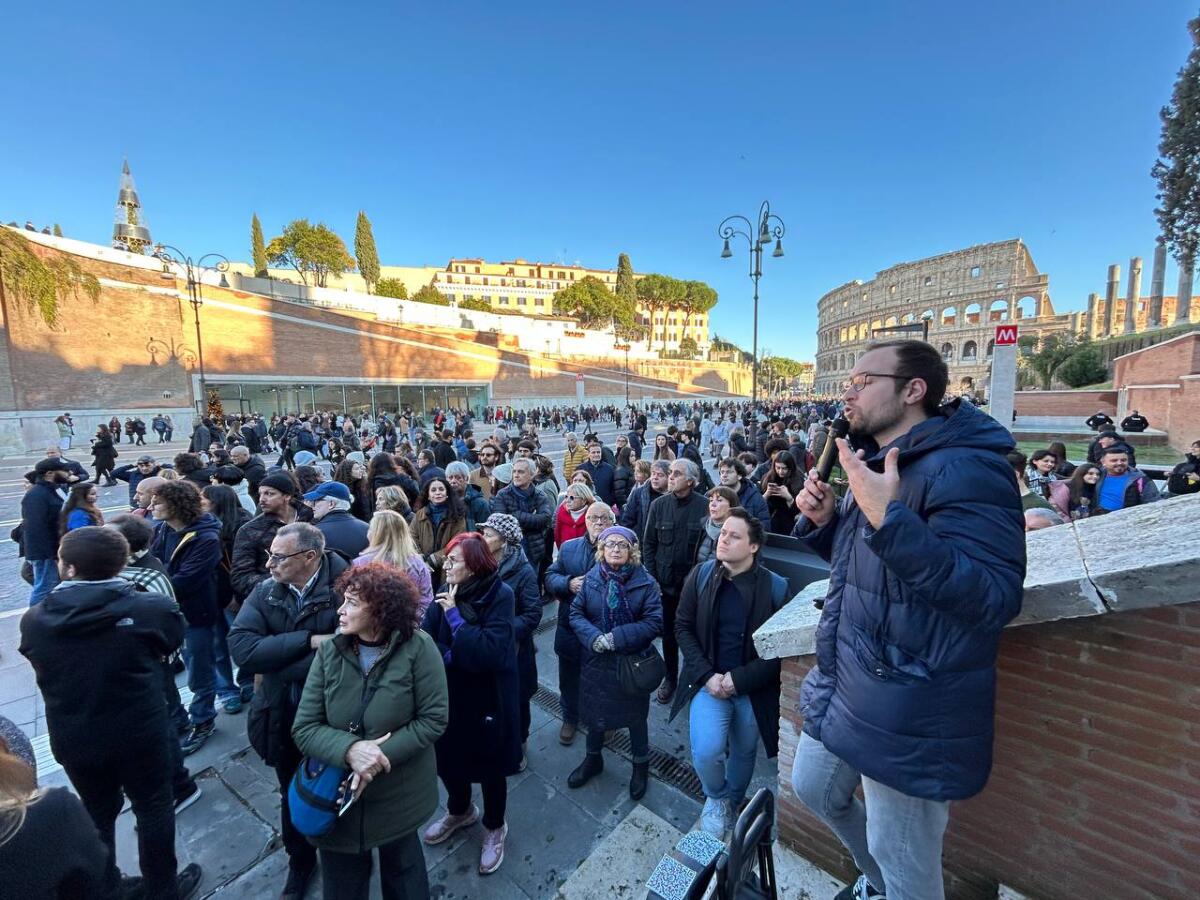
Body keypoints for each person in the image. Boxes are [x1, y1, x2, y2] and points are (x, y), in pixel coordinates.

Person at [789, 340, 1025, 900]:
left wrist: (888, 517)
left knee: (907, 867)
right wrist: (829, 524)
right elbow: (874, 571)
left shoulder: (971, 469)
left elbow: (992, 597)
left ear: (912, 390)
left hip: (908, 703)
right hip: (850, 679)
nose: (848, 391)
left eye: (863, 380)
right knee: (813, 789)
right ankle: (875, 885)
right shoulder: (879, 463)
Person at [19, 527, 203, 899]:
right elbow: (170, 645)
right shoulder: (149, 608)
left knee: (98, 812)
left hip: (75, 732)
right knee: (153, 806)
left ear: (68, 568)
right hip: (139, 727)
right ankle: (161, 889)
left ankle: (106, 886)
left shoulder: (35, 620)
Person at [291, 563, 449, 900]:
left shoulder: (419, 649)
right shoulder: (331, 652)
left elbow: (433, 719)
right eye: (343, 600)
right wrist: (350, 750)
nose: (341, 610)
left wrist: (376, 757)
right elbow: (305, 727)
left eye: (351, 603)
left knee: (405, 878)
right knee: (343, 887)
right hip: (337, 803)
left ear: (379, 610)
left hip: (399, 799)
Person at [228, 523, 347, 900]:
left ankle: (344, 858)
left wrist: (276, 662)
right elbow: (243, 650)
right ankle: (300, 862)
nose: (269, 565)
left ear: (310, 557)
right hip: (281, 714)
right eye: (270, 556)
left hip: (333, 717)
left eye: (279, 557)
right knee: (289, 792)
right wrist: (310, 641)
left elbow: (350, 652)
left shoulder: (347, 585)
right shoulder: (267, 592)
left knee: (339, 790)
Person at [671, 509, 792, 836]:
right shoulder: (700, 575)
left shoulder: (776, 589)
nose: (722, 539)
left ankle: (734, 801)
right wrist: (708, 676)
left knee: (744, 751)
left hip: (750, 689)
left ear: (753, 547)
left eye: (733, 535)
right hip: (709, 684)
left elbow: (779, 651)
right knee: (707, 749)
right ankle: (717, 798)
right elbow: (682, 626)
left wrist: (738, 680)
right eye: (723, 533)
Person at [421, 533, 520, 876]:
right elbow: (426, 639)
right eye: (446, 559)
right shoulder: (445, 588)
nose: (445, 565)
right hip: (448, 695)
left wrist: (455, 620)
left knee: (491, 769)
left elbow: (490, 651)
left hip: (487, 699)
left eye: (454, 561)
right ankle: (460, 811)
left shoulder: (499, 594)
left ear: (475, 566)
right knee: (448, 761)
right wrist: (448, 654)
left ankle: (495, 826)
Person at [108, 512, 203, 808]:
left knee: (163, 714)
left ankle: (177, 763)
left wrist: (164, 655)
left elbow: (171, 618)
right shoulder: (115, 571)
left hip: (150, 660)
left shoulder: (148, 574)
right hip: (136, 663)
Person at [566, 525, 663, 801]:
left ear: (632, 551)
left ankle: (640, 766)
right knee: (596, 711)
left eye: (622, 545)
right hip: (596, 660)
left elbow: (654, 622)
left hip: (630, 663)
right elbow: (576, 612)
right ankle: (593, 759)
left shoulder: (645, 583)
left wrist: (616, 638)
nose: (616, 549)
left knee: (635, 719)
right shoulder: (594, 577)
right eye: (610, 545)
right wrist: (594, 636)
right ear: (602, 549)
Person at [150, 480, 232, 754]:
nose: (151, 507)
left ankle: (203, 719)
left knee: (200, 668)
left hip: (195, 612)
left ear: (176, 504)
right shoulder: (162, 530)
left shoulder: (205, 537)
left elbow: (185, 580)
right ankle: (180, 720)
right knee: (175, 668)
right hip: (169, 611)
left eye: (157, 502)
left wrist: (151, 585)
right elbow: (156, 565)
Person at [545, 501, 614, 745]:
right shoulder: (569, 547)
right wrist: (568, 583)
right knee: (569, 677)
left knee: (602, 681)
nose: (597, 523)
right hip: (570, 628)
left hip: (603, 629)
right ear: (584, 521)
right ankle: (570, 717)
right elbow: (550, 576)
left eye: (603, 518)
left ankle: (603, 720)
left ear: (611, 522)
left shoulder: (619, 547)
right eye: (593, 518)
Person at [642, 459, 708, 704]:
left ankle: (692, 681)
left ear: (690, 481)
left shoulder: (704, 507)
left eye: (676, 474)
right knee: (669, 636)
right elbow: (648, 544)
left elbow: (708, 547)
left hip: (693, 590)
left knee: (694, 637)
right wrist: (653, 579)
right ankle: (670, 678)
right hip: (665, 587)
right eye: (670, 473)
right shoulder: (658, 505)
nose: (670, 477)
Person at [481, 514, 542, 769]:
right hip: (486, 648)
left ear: (504, 540)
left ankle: (519, 744)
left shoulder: (523, 570)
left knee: (517, 700)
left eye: (488, 534)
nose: (483, 538)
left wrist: (502, 631)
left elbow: (532, 613)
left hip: (514, 651)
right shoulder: (480, 563)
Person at [230, 472, 312, 603]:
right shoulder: (251, 530)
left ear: (287, 496)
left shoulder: (311, 518)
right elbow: (240, 577)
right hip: (273, 601)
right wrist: (283, 582)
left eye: (269, 494)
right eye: (260, 493)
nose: (261, 499)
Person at [354, 510, 435, 623]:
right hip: (411, 626)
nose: (368, 533)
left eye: (371, 529)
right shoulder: (418, 563)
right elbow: (426, 601)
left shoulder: (361, 564)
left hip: (373, 628)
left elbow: (356, 601)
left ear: (377, 534)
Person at [490, 457, 553, 573]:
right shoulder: (503, 495)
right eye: (514, 471)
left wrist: (516, 515)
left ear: (532, 475)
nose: (516, 475)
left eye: (521, 472)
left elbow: (545, 519)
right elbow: (500, 523)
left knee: (531, 585)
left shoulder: (540, 495)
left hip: (534, 550)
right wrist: (532, 519)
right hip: (509, 551)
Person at [411, 476, 468, 585]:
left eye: (441, 489)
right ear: (428, 495)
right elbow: (412, 538)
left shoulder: (457, 515)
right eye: (433, 490)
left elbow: (458, 542)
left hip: (447, 567)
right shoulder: (419, 515)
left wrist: (433, 560)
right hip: (423, 567)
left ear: (447, 493)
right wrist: (420, 559)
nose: (438, 493)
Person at [305, 481, 370, 559]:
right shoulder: (368, 529)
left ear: (331, 504)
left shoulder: (314, 533)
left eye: (316, 500)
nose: (312, 505)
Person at [1095, 445, 1160, 511]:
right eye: (1114, 460)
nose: (1119, 463)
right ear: (1103, 462)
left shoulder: (1141, 480)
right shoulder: (1095, 476)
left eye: (1123, 460)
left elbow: (1154, 504)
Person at [620, 458, 669, 542]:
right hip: (641, 542)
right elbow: (627, 521)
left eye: (660, 475)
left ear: (669, 478)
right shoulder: (638, 493)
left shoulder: (673, 496)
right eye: (653, 474)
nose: (655, 478)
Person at [717, 457, 771, 531]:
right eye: (722, 472)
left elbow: (764, 527)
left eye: (729, 472)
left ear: (739, 476)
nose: (724, 475)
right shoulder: (714, 495)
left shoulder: (755, 498)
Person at [760, 450, 806, 535]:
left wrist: (789, 497)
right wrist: (767, 494)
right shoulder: (768, 478)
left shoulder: (799, 481)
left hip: (789, 524)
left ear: (790, 468)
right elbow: (758, 504)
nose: (780, 471)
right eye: (778, 468)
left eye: (784, 468)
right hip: (769, 522)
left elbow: (801, 511)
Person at [695, 485, 739, 564]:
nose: (713, 504)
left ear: (731, 506)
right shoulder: (702, 526)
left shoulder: (738, 532)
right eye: (711, 500)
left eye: (719, 500)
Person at [446, 460, 491, 530]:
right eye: (450, 478)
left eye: (458, 477)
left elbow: (486, 532)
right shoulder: (444, 501)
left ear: (466, 479)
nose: (453, 481)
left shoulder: (480, 504)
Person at [555, 482, 596, 548]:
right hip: (566, 554)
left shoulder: (594, 515)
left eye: (572, 498)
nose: (567, 500)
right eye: (566, 497)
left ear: (584, 500)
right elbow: (558, 537)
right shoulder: (561, 513)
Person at [576, 442, 617, 507]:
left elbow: (614, 488)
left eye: (598, 452)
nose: (596, 454)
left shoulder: (609, 468)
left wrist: (611, 502)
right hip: (586, 506)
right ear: (588, 454)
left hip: (605, 505)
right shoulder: (581, 469)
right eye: (593, 452)